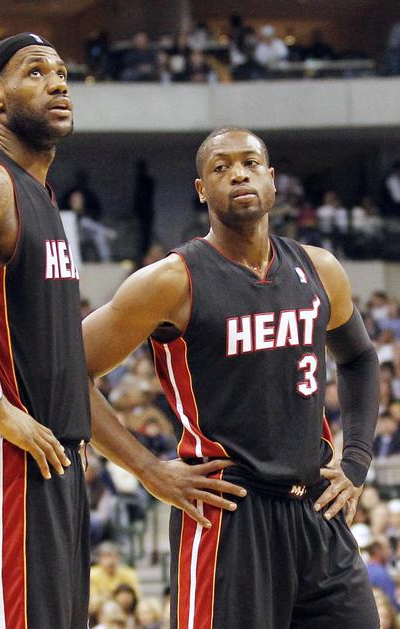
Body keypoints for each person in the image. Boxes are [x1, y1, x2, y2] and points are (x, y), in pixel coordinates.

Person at [0, 32, 219, 628]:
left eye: (61, 73)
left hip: (47, 464)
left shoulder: (38, 194)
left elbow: (63, 375)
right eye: (36, 72)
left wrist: (147, 469)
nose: (57, 83)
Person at [83, 127, 380, 628]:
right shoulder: (171, 280)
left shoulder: (320, 268)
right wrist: (149, 470)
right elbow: (69, 369)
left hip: (317, 511)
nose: (238, 174)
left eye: (250, 163)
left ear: (272, 179)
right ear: (202, 190)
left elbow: (360, 359)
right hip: (228, 512)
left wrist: (355, 461)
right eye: (221, 168)